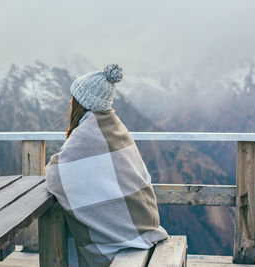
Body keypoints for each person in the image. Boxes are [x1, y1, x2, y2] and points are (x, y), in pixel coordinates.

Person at [45, 64, 168, 266]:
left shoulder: (87, 133)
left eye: (73, 98)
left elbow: (56, 175)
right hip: (145, 226)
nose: (69, 102)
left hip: (118, 243)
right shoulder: (114, 125)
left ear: (82, 103)